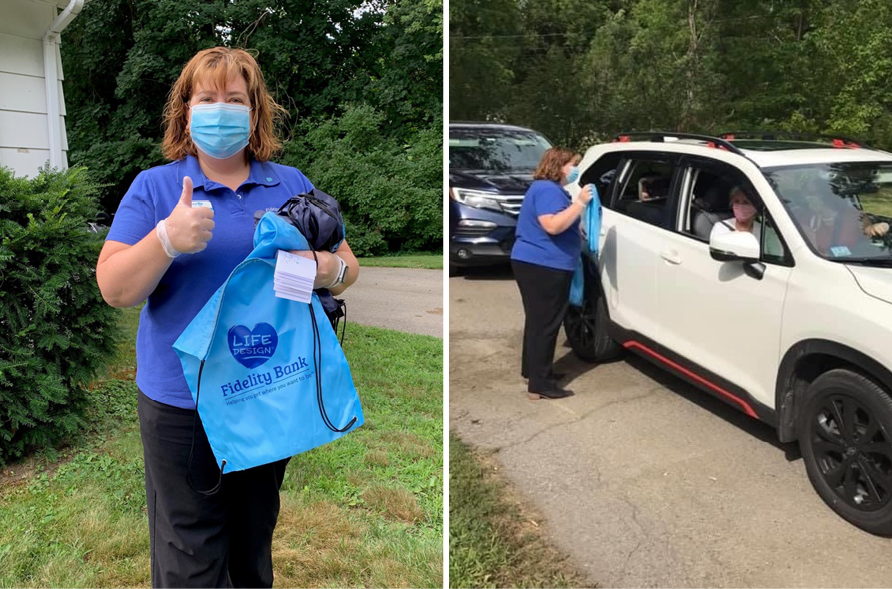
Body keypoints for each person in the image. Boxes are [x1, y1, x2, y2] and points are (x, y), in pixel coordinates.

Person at [95, 47, 359, 589]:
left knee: (252, 543)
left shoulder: (289, 183)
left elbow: (349, 268)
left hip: (268, 390)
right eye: (207, 98)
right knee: (189, 557)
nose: (221, 109)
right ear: (185, 111)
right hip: (182, 404)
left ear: (255, 111)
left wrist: (325, 267)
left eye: (234, 99)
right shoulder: (156, 187)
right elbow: (114, 288)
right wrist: (167, 239)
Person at [511, 147, 593, 400]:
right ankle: (541, 384)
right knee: (546, 324)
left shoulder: (544, 188)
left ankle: (534, 372)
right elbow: (552, 225)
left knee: (537, 322)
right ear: (559, 166)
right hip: (544, 265)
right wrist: (580, 203)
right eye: (572, 164)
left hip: (536, 262)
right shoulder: (548, 189)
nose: (574, 169)